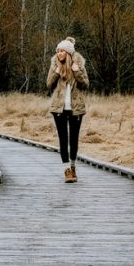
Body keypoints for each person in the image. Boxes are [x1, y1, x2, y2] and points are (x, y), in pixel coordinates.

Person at [46, 37, 89, 183]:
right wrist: (57, 72)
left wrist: (77, 72)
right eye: (58, 51)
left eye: (62, 50)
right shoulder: (55, 66)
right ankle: (67, 171)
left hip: (76, 109)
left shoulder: (78, 65)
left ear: (69, 53)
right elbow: (49, 84)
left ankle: (73, 166)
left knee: (74, 139)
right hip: (59, 109)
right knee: (63, 139)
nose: (59, 53)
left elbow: (85, 84)